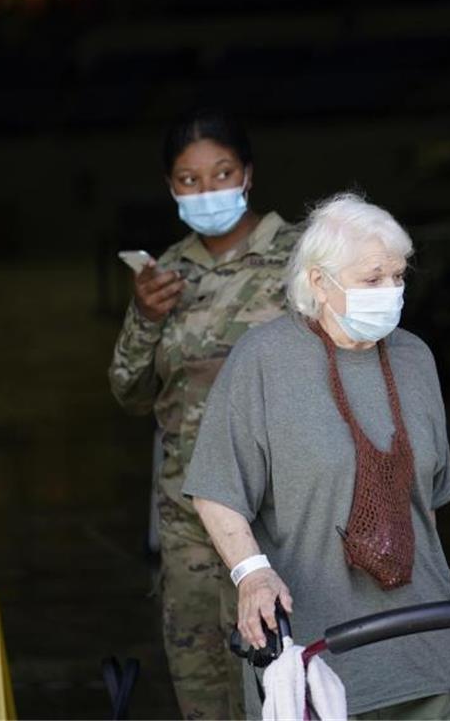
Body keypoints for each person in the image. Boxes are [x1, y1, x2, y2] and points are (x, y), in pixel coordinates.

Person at [181, 192, 450, 720]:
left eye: (398, 277)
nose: (391, 292)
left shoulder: (415, 357)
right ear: (319, 281)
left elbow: (430, 500)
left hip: (423, 643)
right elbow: (217, 490)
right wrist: (252, 574)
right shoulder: (264, 359)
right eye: (373, 278)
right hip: (310, 655)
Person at [108, 108, 305, 720]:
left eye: (221, 173)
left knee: (290, 687)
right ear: (171, 187)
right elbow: (129, 392)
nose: (206, 190)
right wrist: (143, 317)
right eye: (188, 180)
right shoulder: (165, 274)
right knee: (206, 695)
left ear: (246, 174)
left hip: (283, 513)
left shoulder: (303, 259)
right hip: (190, 520)